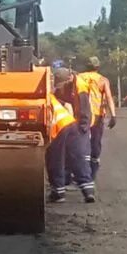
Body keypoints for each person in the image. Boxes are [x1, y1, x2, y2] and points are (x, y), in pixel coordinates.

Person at [47, 68, 95, 203]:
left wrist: (84, 126)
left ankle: (58, 192)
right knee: (78, 157)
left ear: (69, 79)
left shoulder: (80, 85)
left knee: (55, 158)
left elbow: (84, 107)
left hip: (63, 126)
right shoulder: (58, 92)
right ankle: (88, 190)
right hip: (71, 123)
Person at [78, 56, 117, 179]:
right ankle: (92, 171)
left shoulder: (79, 77)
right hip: (97, 115)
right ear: (98, 67)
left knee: (81, 142)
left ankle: (80, 171)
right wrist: (113, 115)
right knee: (95, 142)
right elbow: (109, 97)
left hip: (81, 115)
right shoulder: (103, 80)